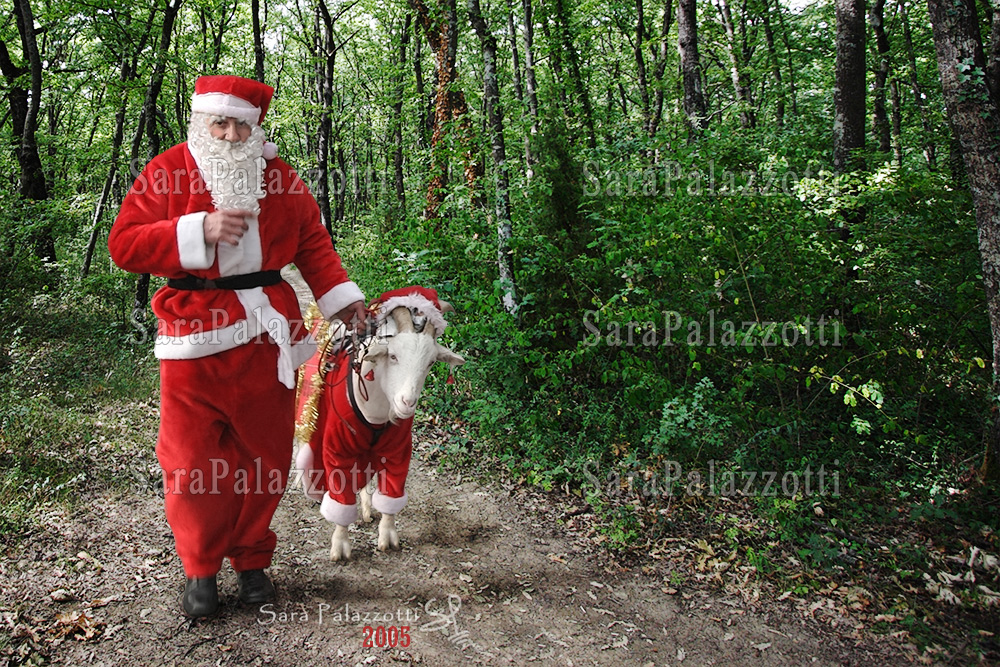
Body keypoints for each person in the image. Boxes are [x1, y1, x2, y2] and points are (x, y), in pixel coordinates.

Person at [109, 75, 367, 618]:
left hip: (264, 342)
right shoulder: (167, 171)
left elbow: (313, 244)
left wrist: (341, 299)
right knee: (190, 462)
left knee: (264, 458)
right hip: (191, 343)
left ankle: (252, 562)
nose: (228, 134)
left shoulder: (281, 179)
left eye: (240, 124)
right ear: (200, 122)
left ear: (256, 128)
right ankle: (200, 570)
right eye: (218, 122)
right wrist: (196, 229)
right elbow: (124, 245)